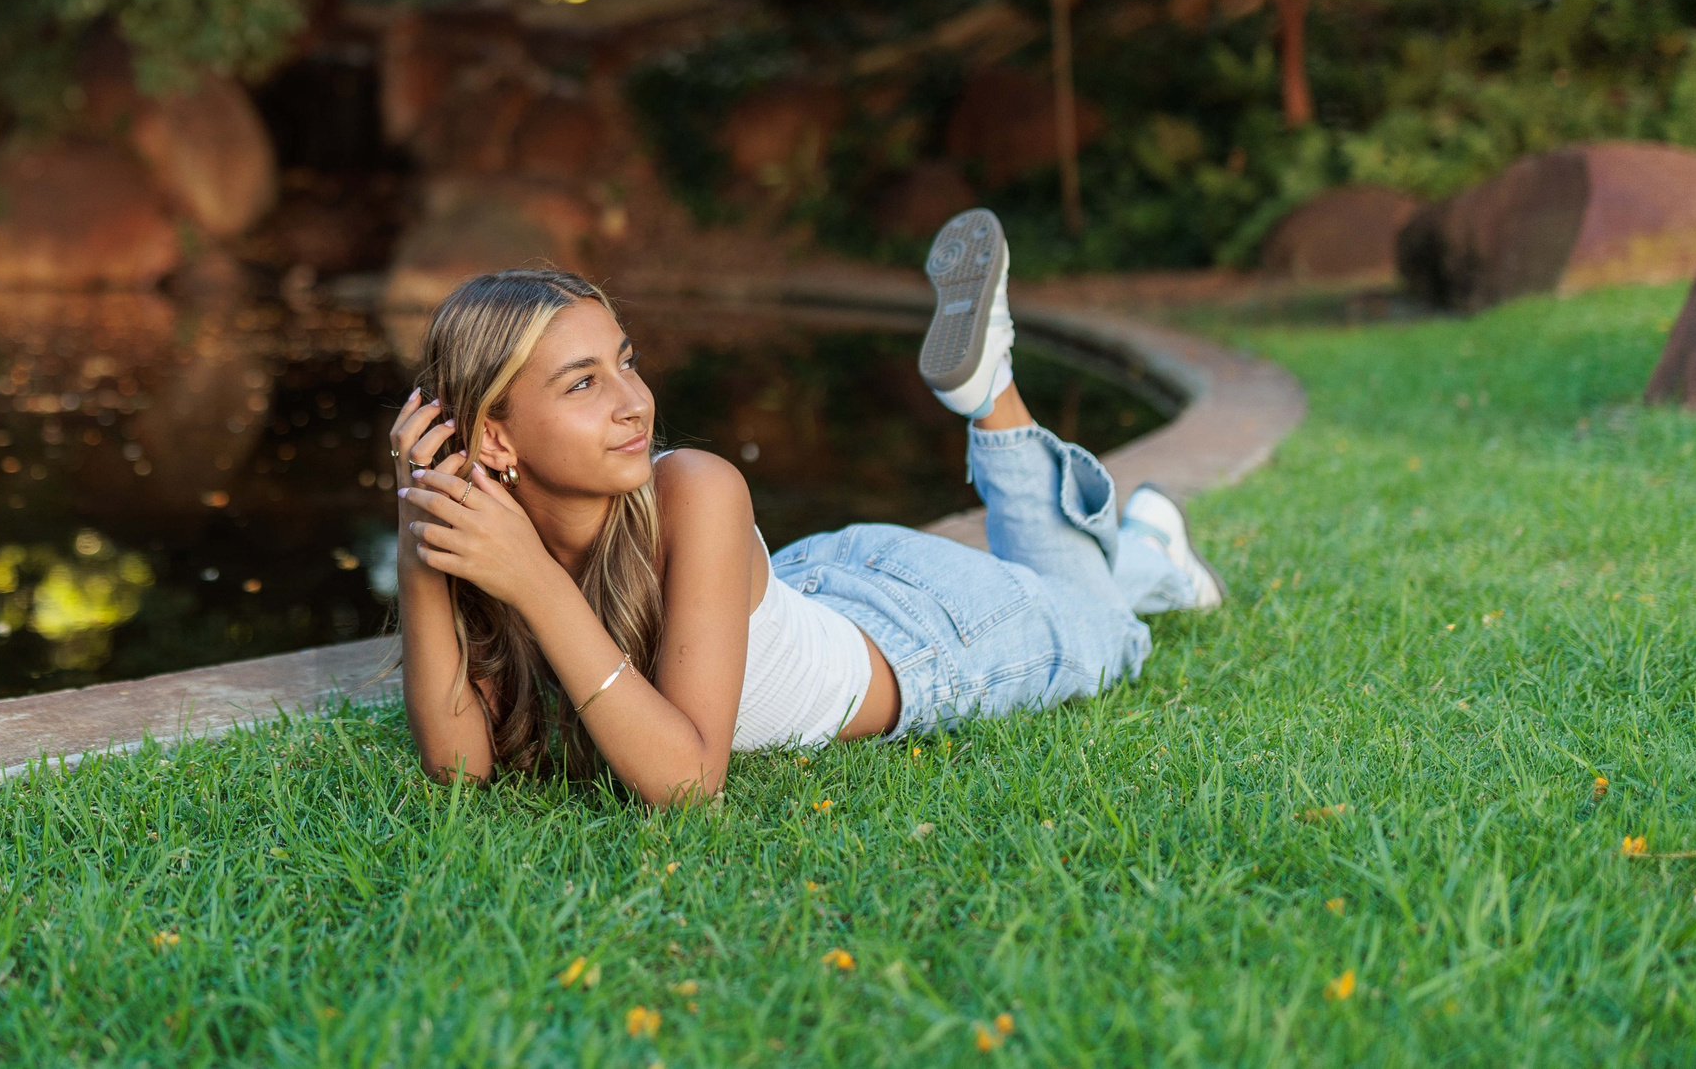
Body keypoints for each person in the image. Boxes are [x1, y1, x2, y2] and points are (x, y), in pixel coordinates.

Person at [389, 208, 1224, 804]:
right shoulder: (490, 535)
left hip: (925, 637)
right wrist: (419, 523)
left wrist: (538, 584)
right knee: (1096, 586)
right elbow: (461, 771)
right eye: (583, 383)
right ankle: (1151, 541)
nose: (636, 400)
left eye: (625, 361)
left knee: (1104, 623)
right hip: (810, 584)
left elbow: (686, 783)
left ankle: (995, 393)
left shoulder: (695, 488)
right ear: (493, 438)